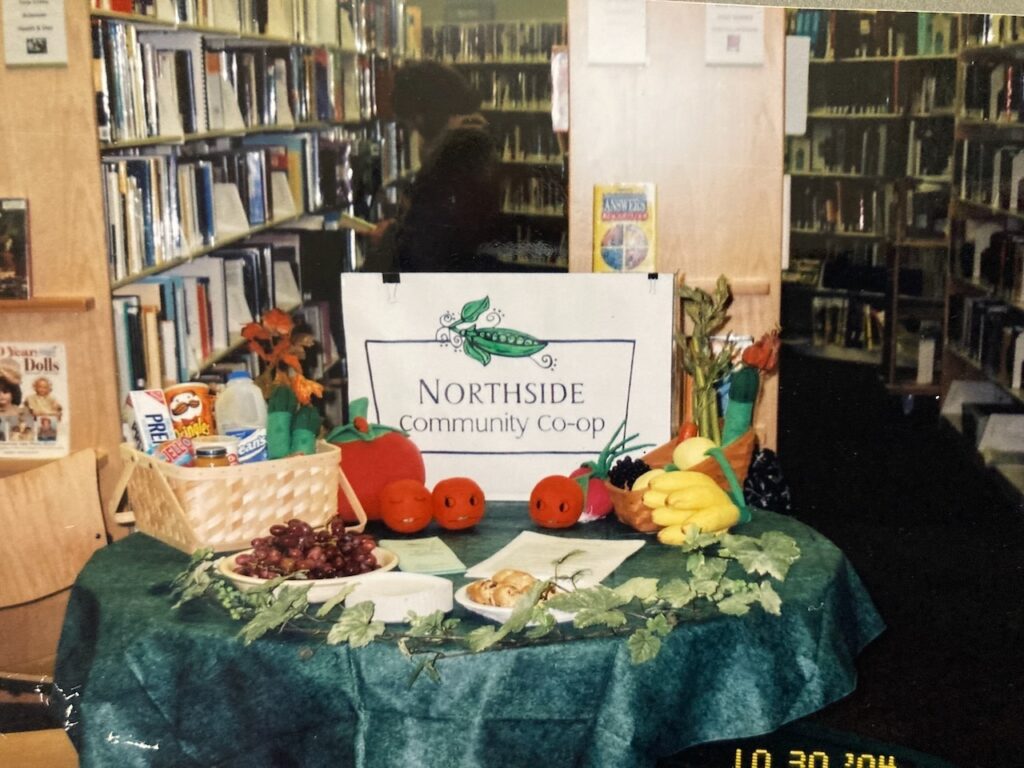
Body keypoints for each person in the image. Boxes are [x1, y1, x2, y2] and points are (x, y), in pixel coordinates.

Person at [364, 61, 502, 273]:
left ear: (427, 111)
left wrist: (389, 236)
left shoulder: (456, 156)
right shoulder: (475, 145)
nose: (415, 131)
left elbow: (428, 246)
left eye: (414, 121)